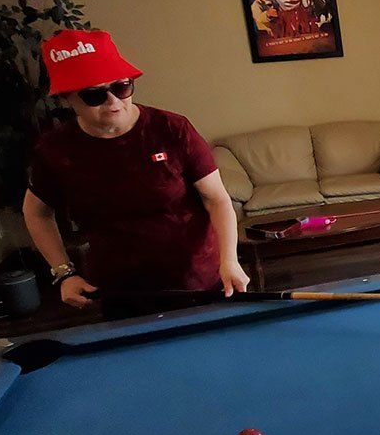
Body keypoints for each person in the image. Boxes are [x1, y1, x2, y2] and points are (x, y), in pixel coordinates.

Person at [23, 29, 250, 308]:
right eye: (94, 95)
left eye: (121, 87)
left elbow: (216, 199)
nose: (113, 101)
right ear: (66, 98)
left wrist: (230, 260)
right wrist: (63, 273)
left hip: (198, 281)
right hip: (120, 290)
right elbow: (36, 212)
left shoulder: (172, 129)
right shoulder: (55, 150)